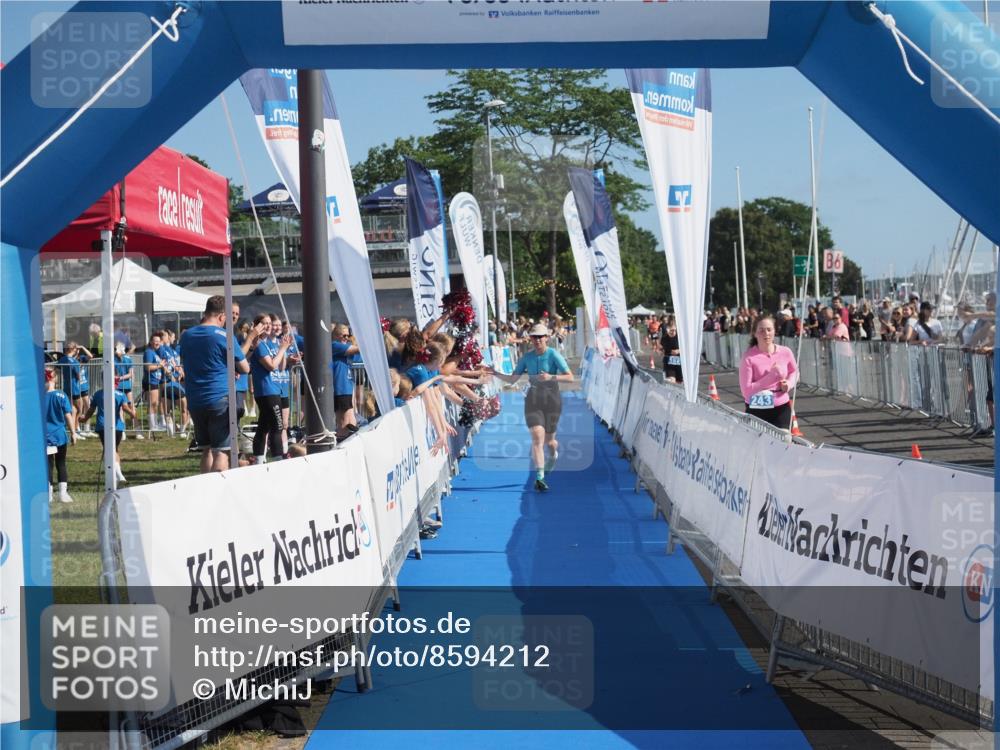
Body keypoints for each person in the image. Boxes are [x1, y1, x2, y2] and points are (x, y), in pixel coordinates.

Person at [487, 323, 573, 492]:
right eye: (534, 337)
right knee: (537, 438)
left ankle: (553, 454)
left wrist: (551, 376)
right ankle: (539, 477)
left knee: (550, 441)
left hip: (552, 401)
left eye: (540, 337)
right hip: (533, 401)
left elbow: (570, 377)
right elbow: (513, 379)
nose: (537, 340)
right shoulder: (527, 357)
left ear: (547, 338)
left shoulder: (553, 354)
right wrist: (494, 373)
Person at [180, 295, 251, 473]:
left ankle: (205, 490)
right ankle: (219, 493)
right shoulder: (224, 336)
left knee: (206, 449)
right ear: (221, 316)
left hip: (195, 399)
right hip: (219, 398)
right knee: (222, 451)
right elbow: (244, 368)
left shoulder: (186, 335)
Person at [739, 315, 799, 430]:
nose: (766, 334)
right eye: (761, 330)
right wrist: (771, 377)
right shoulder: (748, 357)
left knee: (784, 440)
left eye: (769, 330)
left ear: (774, 331)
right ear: (755, 333)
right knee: (760, 445)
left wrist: (789, 384)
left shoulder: (785, 352)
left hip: (781, 405)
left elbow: (794, 371)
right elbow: (746, 391)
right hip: (757, 408)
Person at [250, 314, 292, 462]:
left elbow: (280, 367)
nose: (268, 326)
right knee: (277, 427)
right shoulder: (259, 344)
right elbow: (271, 366)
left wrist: (284, 349)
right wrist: (282, 349)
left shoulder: (267, 343)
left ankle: (259, 460)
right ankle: (278, 460)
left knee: (264, 426)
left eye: (269, 323)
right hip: (267, 391)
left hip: (273, 390)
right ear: (257, 326)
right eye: (264, 323)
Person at [82, 386, 135, 484]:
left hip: (103, 425)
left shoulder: (98, 394)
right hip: (117, 426)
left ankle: (117, 475)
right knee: (114, 449)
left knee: (109, 450)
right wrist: (132, 413)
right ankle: (117, 475)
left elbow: (91, 409)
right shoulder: (121, 394)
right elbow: (125, 407)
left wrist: (85, 419)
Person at [44, 367, 76, 503]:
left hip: (44, 437)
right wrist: (73, 432)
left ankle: (48, 494)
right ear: (55, 378)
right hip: (60, 436)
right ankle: (63, 494)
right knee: (61, 464)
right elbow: (68, 416)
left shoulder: (38, 396)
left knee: (48, 466)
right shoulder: (61, 395)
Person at [331, 323, 361, 436]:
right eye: (344, 335)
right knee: (345, 421)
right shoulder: (335, 345)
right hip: (340, 388)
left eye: (348, 336)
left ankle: (342, 440)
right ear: (335, 335)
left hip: (347, 388)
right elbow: (358, 350)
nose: (346, 338)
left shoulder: (346, 346)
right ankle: (341, 441)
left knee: (348, 420)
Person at [142, 333, 166, 430]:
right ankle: (152, 425)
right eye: (155, 341)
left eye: (158, 341)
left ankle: (155, 424)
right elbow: (148, 367)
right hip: (150, 381)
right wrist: (160, 365)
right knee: (152, 403)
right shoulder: (148, 352)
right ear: (151, 342)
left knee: (155, 403)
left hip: (155, 381)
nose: (157, 343)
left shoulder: (155, 353)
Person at [659, 316, 682, 384]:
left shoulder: (680, 337)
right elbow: (662, 349)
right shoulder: (664, 338)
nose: (673, 332)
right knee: (671, 381)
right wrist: (661, 350)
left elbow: (687, 350)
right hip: (669, 364)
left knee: (679, 382)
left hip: (680, 363)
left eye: (675, 330)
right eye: (671, 330)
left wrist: (678, 351)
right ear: (667, 329)